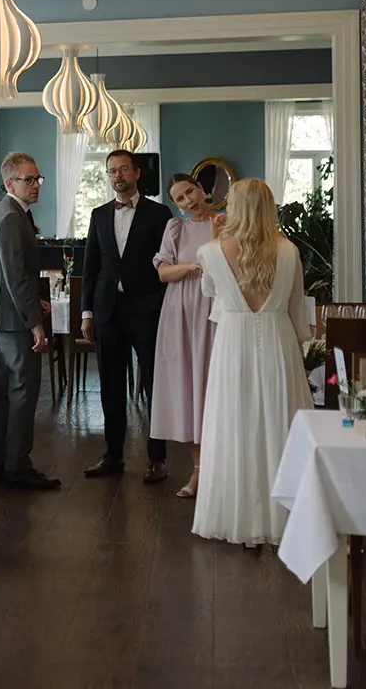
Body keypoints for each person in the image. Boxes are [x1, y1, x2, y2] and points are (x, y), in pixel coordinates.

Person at [191, 178, 314, 546]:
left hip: (233, 343)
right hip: (279, 340)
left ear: (237, 207)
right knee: (280, 422)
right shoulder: (289, 251)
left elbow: (210, 292)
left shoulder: (210, 251)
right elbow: (297, 310)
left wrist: (216, 238)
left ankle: (241, 517)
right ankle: (287, 516)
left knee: (235, 425)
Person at [81, 149, 172, 483]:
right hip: (108, 311)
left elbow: (168, 262)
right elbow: (90, 266)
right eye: (111, 171)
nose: (117, 176)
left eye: (123, 169)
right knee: (110, 385)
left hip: (147, 311)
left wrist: (163, 307)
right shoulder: (98, 214)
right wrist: (86, 312)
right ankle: (113, 455)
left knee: (154, 386)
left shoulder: (160, 213)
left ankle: (157, 458)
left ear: (136, 173)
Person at [0, 151, 59, 490]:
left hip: (4, 315)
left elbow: (11, 274)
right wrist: (35, 322)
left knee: (6, 394)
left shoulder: (8, 212)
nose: (36, 184)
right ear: (10, 183)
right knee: (23, 392)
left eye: (38, 178)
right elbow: (15, 276)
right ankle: (16, 467)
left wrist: (34, 303)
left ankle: (4, 464)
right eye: (29, 179)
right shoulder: (11, 217)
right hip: (12, 320)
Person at [150, 174, 216, 499]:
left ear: (201, 188)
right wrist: (191, 266)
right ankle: (198, 471)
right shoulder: (175, 228)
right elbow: (163, 272)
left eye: (190, 192)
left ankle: (223, 470)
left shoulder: (224, 223)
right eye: (180, 198)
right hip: (181, 314)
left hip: (217, 311)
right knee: (189, 387)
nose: (188, 200)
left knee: (214, 385)